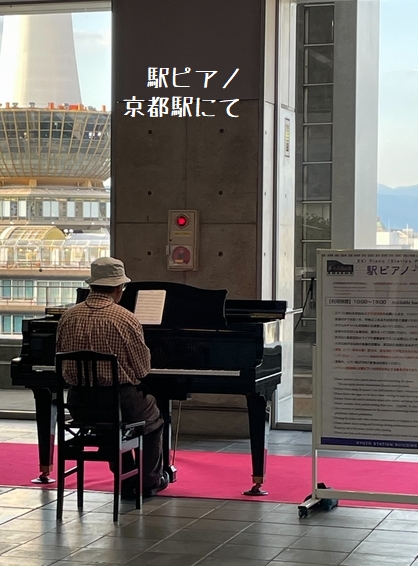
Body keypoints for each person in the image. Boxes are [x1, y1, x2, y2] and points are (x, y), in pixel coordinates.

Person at [56, 256, 168, 498]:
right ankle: (148, 481)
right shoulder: (125, 319)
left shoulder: (68, 316)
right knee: (154, 420)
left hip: (79, 405)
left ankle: (125, 476)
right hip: (118, 402)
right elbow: (141, 370)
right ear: (118, 288)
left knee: (110, 425)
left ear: (92, 285)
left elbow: (62, 361)